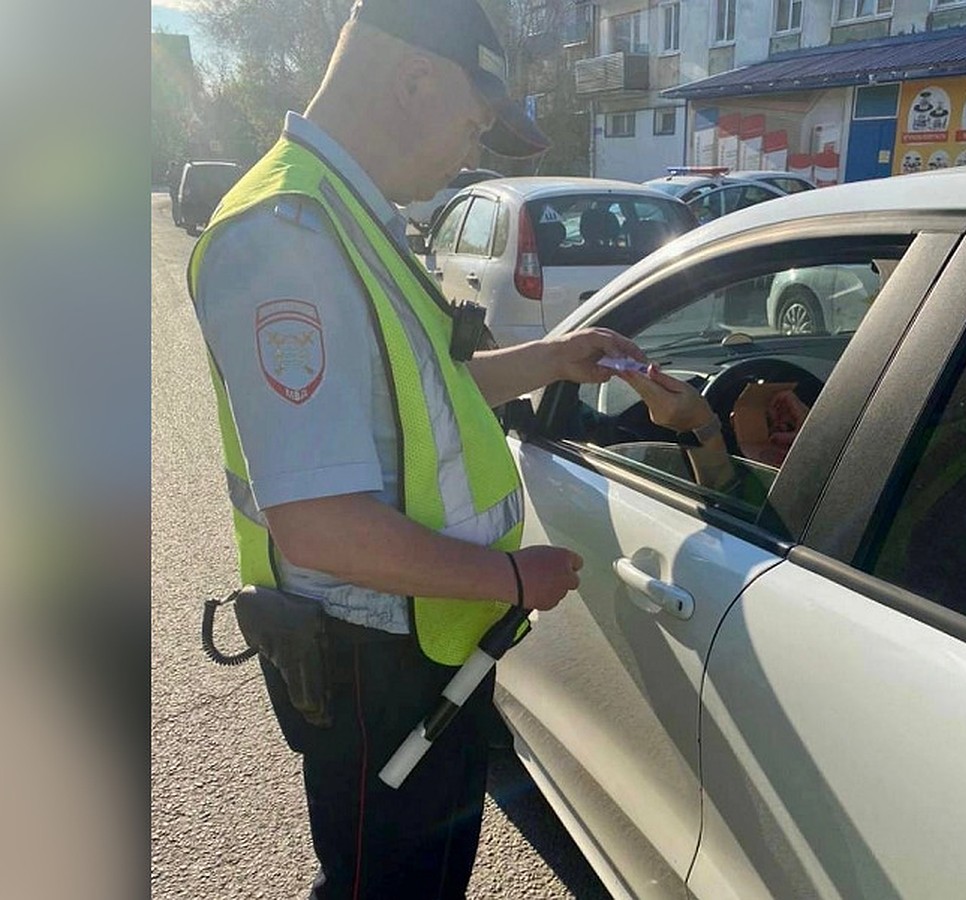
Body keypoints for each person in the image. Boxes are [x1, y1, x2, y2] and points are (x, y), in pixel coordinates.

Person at [185, 2, 644, 897]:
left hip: (421, 642)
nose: (468, 154)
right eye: (474, 123)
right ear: (413, 80)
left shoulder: (352, 217)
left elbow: (423, 396)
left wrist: (553, 357)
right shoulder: (288, 236)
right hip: (374, 661)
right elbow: (319, 526)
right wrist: (514, 581)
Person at [617, 363, 812, 488]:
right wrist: (817, 435)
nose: (775, 428)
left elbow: (727, 505)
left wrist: (699, 425)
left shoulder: (789, 501)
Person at [164, 160, 183, 226]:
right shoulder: (169, 173)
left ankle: (179, 219)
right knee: (175, 205)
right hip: (173, 190)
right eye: (174, 166)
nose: (176, 168)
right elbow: (168, 182)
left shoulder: (178, 173)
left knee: (179, 205)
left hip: (178, 190)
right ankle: (176, 220)